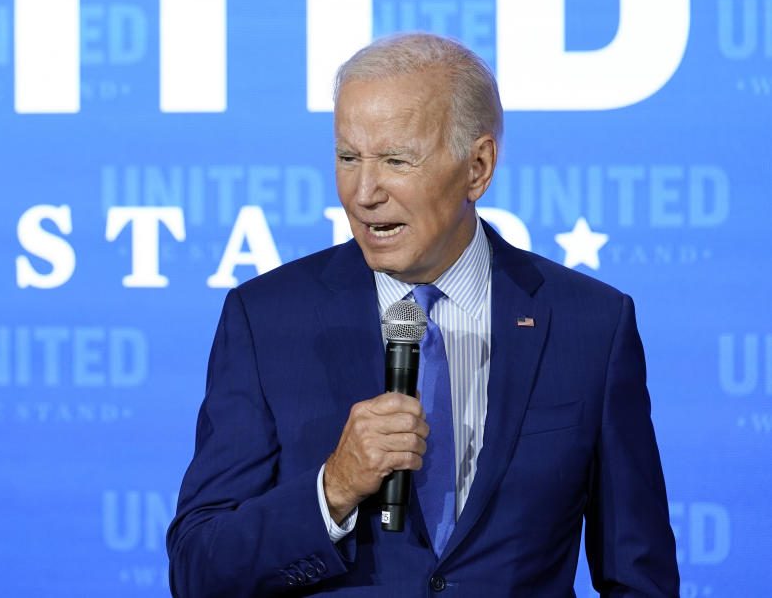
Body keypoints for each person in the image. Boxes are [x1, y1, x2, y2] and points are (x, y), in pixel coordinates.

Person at [166, 33, 677, 596]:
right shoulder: (266, 320)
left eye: (395, 160)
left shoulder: (590, 325)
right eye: (347, 158)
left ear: (477, 168)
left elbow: (638, 575)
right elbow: (198, 570)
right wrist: (332, 489)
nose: (363, 192)